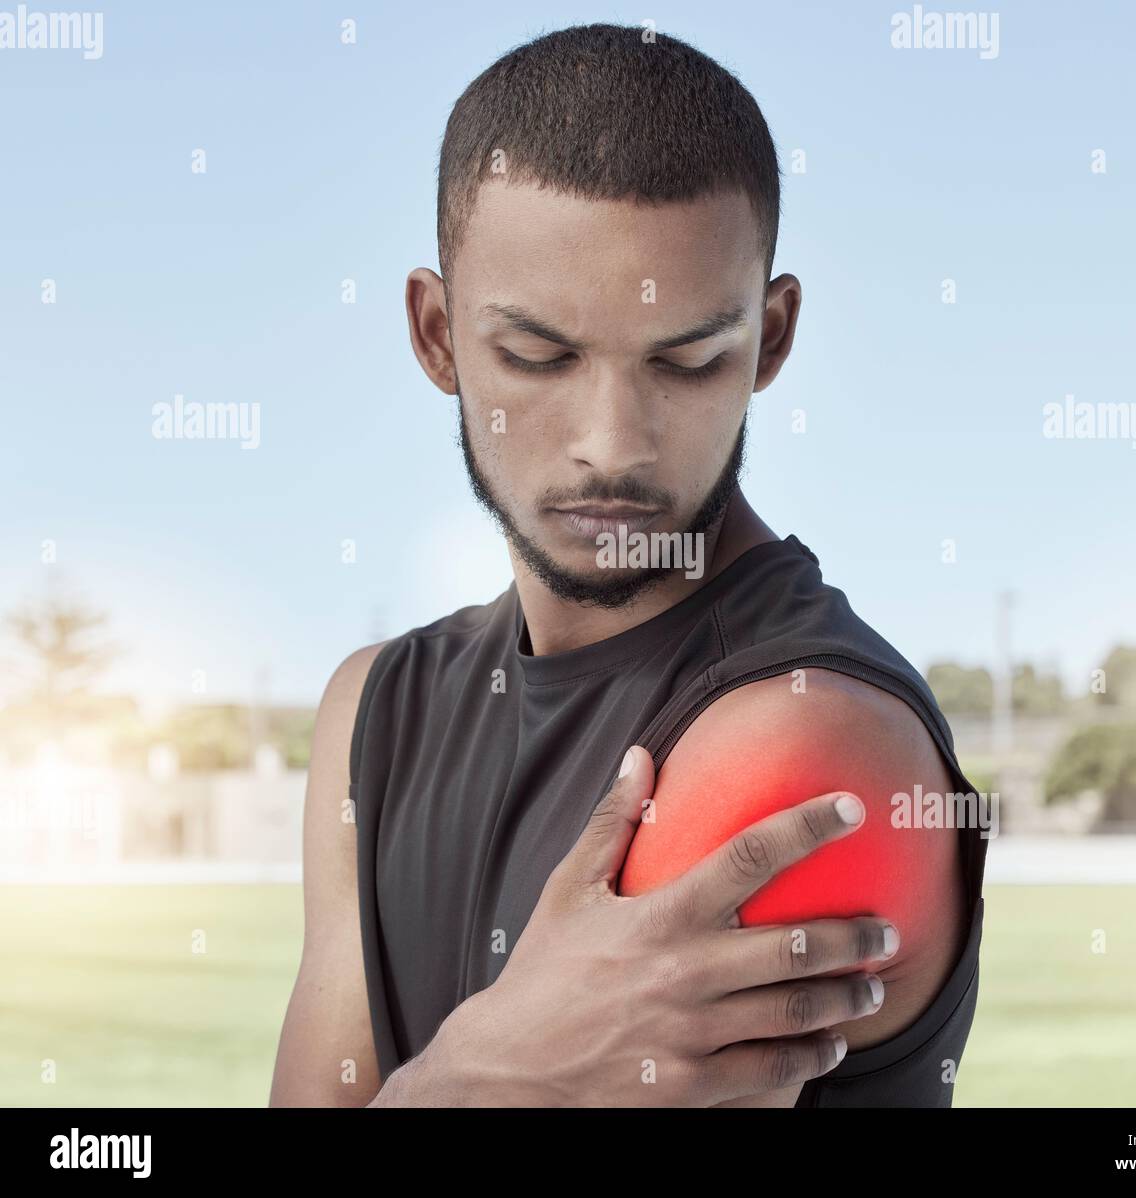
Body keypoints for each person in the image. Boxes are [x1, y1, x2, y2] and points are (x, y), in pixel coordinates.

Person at [270, 21, 987, 1108]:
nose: (611, 440)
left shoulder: (801, 741)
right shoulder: (371, 706)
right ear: (435, 336)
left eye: (687, 359)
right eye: (537, 355)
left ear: (771, 340)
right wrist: (478, 1077)